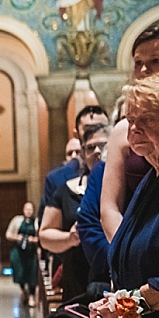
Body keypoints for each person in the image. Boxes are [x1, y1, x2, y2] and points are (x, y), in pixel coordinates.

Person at [89, 72, 159, 318]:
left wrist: (130, 305)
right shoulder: (152, 179)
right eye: (130, 119)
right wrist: (117, 300)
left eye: (148, 119)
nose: (134, 128)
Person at [100, 25, 159, 242]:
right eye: (138, 63)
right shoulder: (124, 129)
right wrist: (128, 254)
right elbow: (109, 208)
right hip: (136, 245)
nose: (144, 70)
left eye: (156, 61)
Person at [40, 123, 110, 302]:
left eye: (102, 145)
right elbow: (45, 235)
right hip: (77, 279)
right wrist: (69, 238)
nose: (96, 152)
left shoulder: (130, 185)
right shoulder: (66, 190)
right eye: (90, 147)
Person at [41, 105, 108, 210]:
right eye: (89, 129)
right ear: (77, 134)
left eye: (100, 127)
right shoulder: (58, 179)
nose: (96, 133)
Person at [5, 201, 39, 306]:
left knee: (32, 274)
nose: (28, 212)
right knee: (19, 273)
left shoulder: (37, 221)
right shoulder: (17, 220)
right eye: (26, 209)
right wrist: (16, 237)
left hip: (31, 252)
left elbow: (41, 236)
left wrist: (33, 239)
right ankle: (23, 290)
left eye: (30, 209)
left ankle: (32, 296)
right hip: (19, 251)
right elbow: (8, 234)